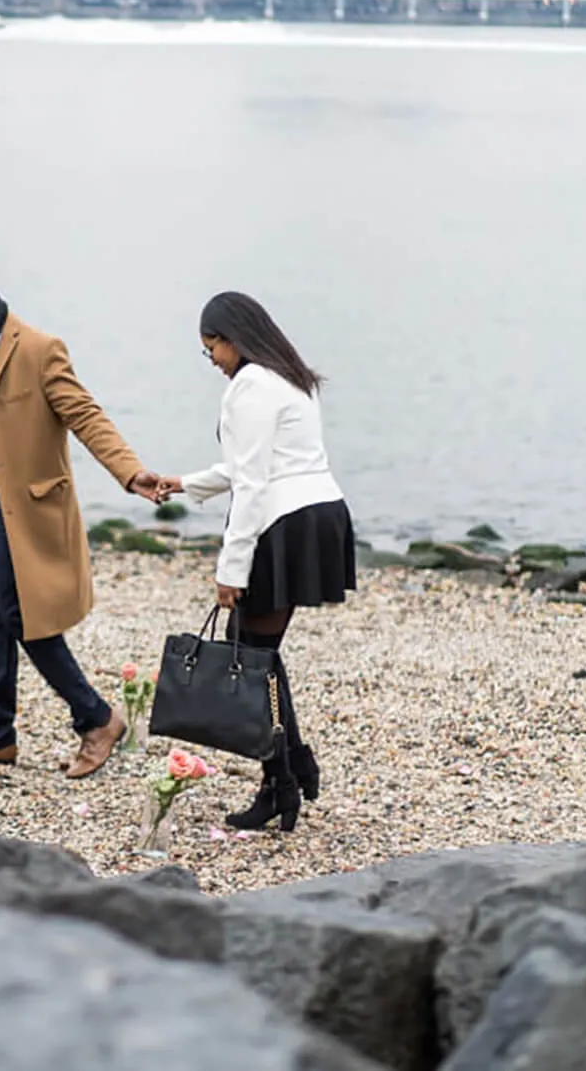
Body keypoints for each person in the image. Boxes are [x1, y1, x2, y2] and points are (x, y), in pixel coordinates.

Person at [0, 255, 163, 779]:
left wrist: (130, 472)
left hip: (22, 511)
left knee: (27, 620)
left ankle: (98, 719)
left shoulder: (37, 349)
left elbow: (84, 414)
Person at [155, 291, 355, 832]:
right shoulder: (289, 376)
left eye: (212, 348)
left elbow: (253, 482)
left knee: (252, 655)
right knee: (260, 655)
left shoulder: (249, 387)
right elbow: (258, 465)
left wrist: (231, 569)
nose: (213, 361)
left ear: (234, 337)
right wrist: (188, 484)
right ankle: (287, 770)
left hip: (283, 524)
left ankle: (284, 778)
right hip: (319, 515)